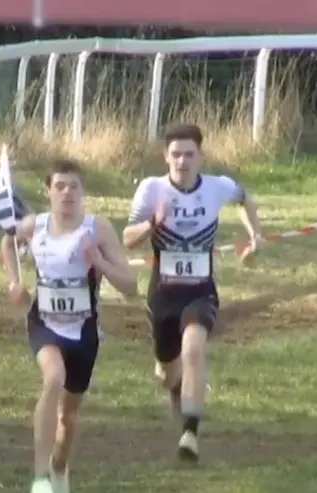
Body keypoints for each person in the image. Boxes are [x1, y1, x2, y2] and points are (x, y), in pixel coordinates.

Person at [122, 123, 263, 462]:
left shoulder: (217, 187)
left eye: (189, 154)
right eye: (176, 155)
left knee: (194, 349)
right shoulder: (151, 189)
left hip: (201, 290)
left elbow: (246, 199)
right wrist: (151, 224)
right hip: (163, 294)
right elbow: (127, 238)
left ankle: (190, 434)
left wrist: (256, 237)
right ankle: (174, 386)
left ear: (200, 157)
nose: (182, 161)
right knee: (168, 369)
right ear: (165, 157)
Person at [0, 159, 138, 493]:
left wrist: (99, 261)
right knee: (53, 378)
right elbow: (6, 242)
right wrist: (14, 282)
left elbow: (131, 286)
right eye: (60, 186)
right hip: (44, 323)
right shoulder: (36, 226)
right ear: (48, 192)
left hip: (84, 331)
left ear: (83, 192)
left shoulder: (98, 230)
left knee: (69, 416)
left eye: (74, 186)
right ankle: (39, 478)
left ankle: (59, 468)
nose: (67, 193)